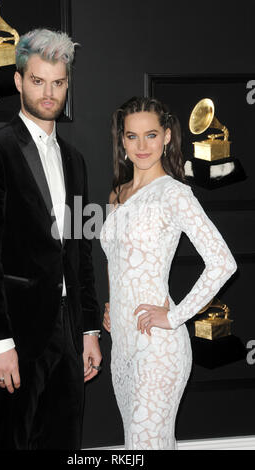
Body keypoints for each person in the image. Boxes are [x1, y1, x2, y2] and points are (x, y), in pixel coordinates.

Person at [0, 28, 102, 450]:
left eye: (58, 83)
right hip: (13, 334)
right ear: (19, 81)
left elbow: (81, 250)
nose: (49, 92)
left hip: (67, 329)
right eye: (38, 81)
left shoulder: (75, 161)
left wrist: (89, 329)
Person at [100, 96, 237, 450]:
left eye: (150, 135)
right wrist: (113, 304)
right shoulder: (116, 195)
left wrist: (175, 316)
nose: (141, 146)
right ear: (122, 141)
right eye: (131, 136)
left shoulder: (175, 195)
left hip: (158, 348)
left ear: (167, 137)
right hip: (123, 346)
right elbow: (117, 260)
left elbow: (223, 262)